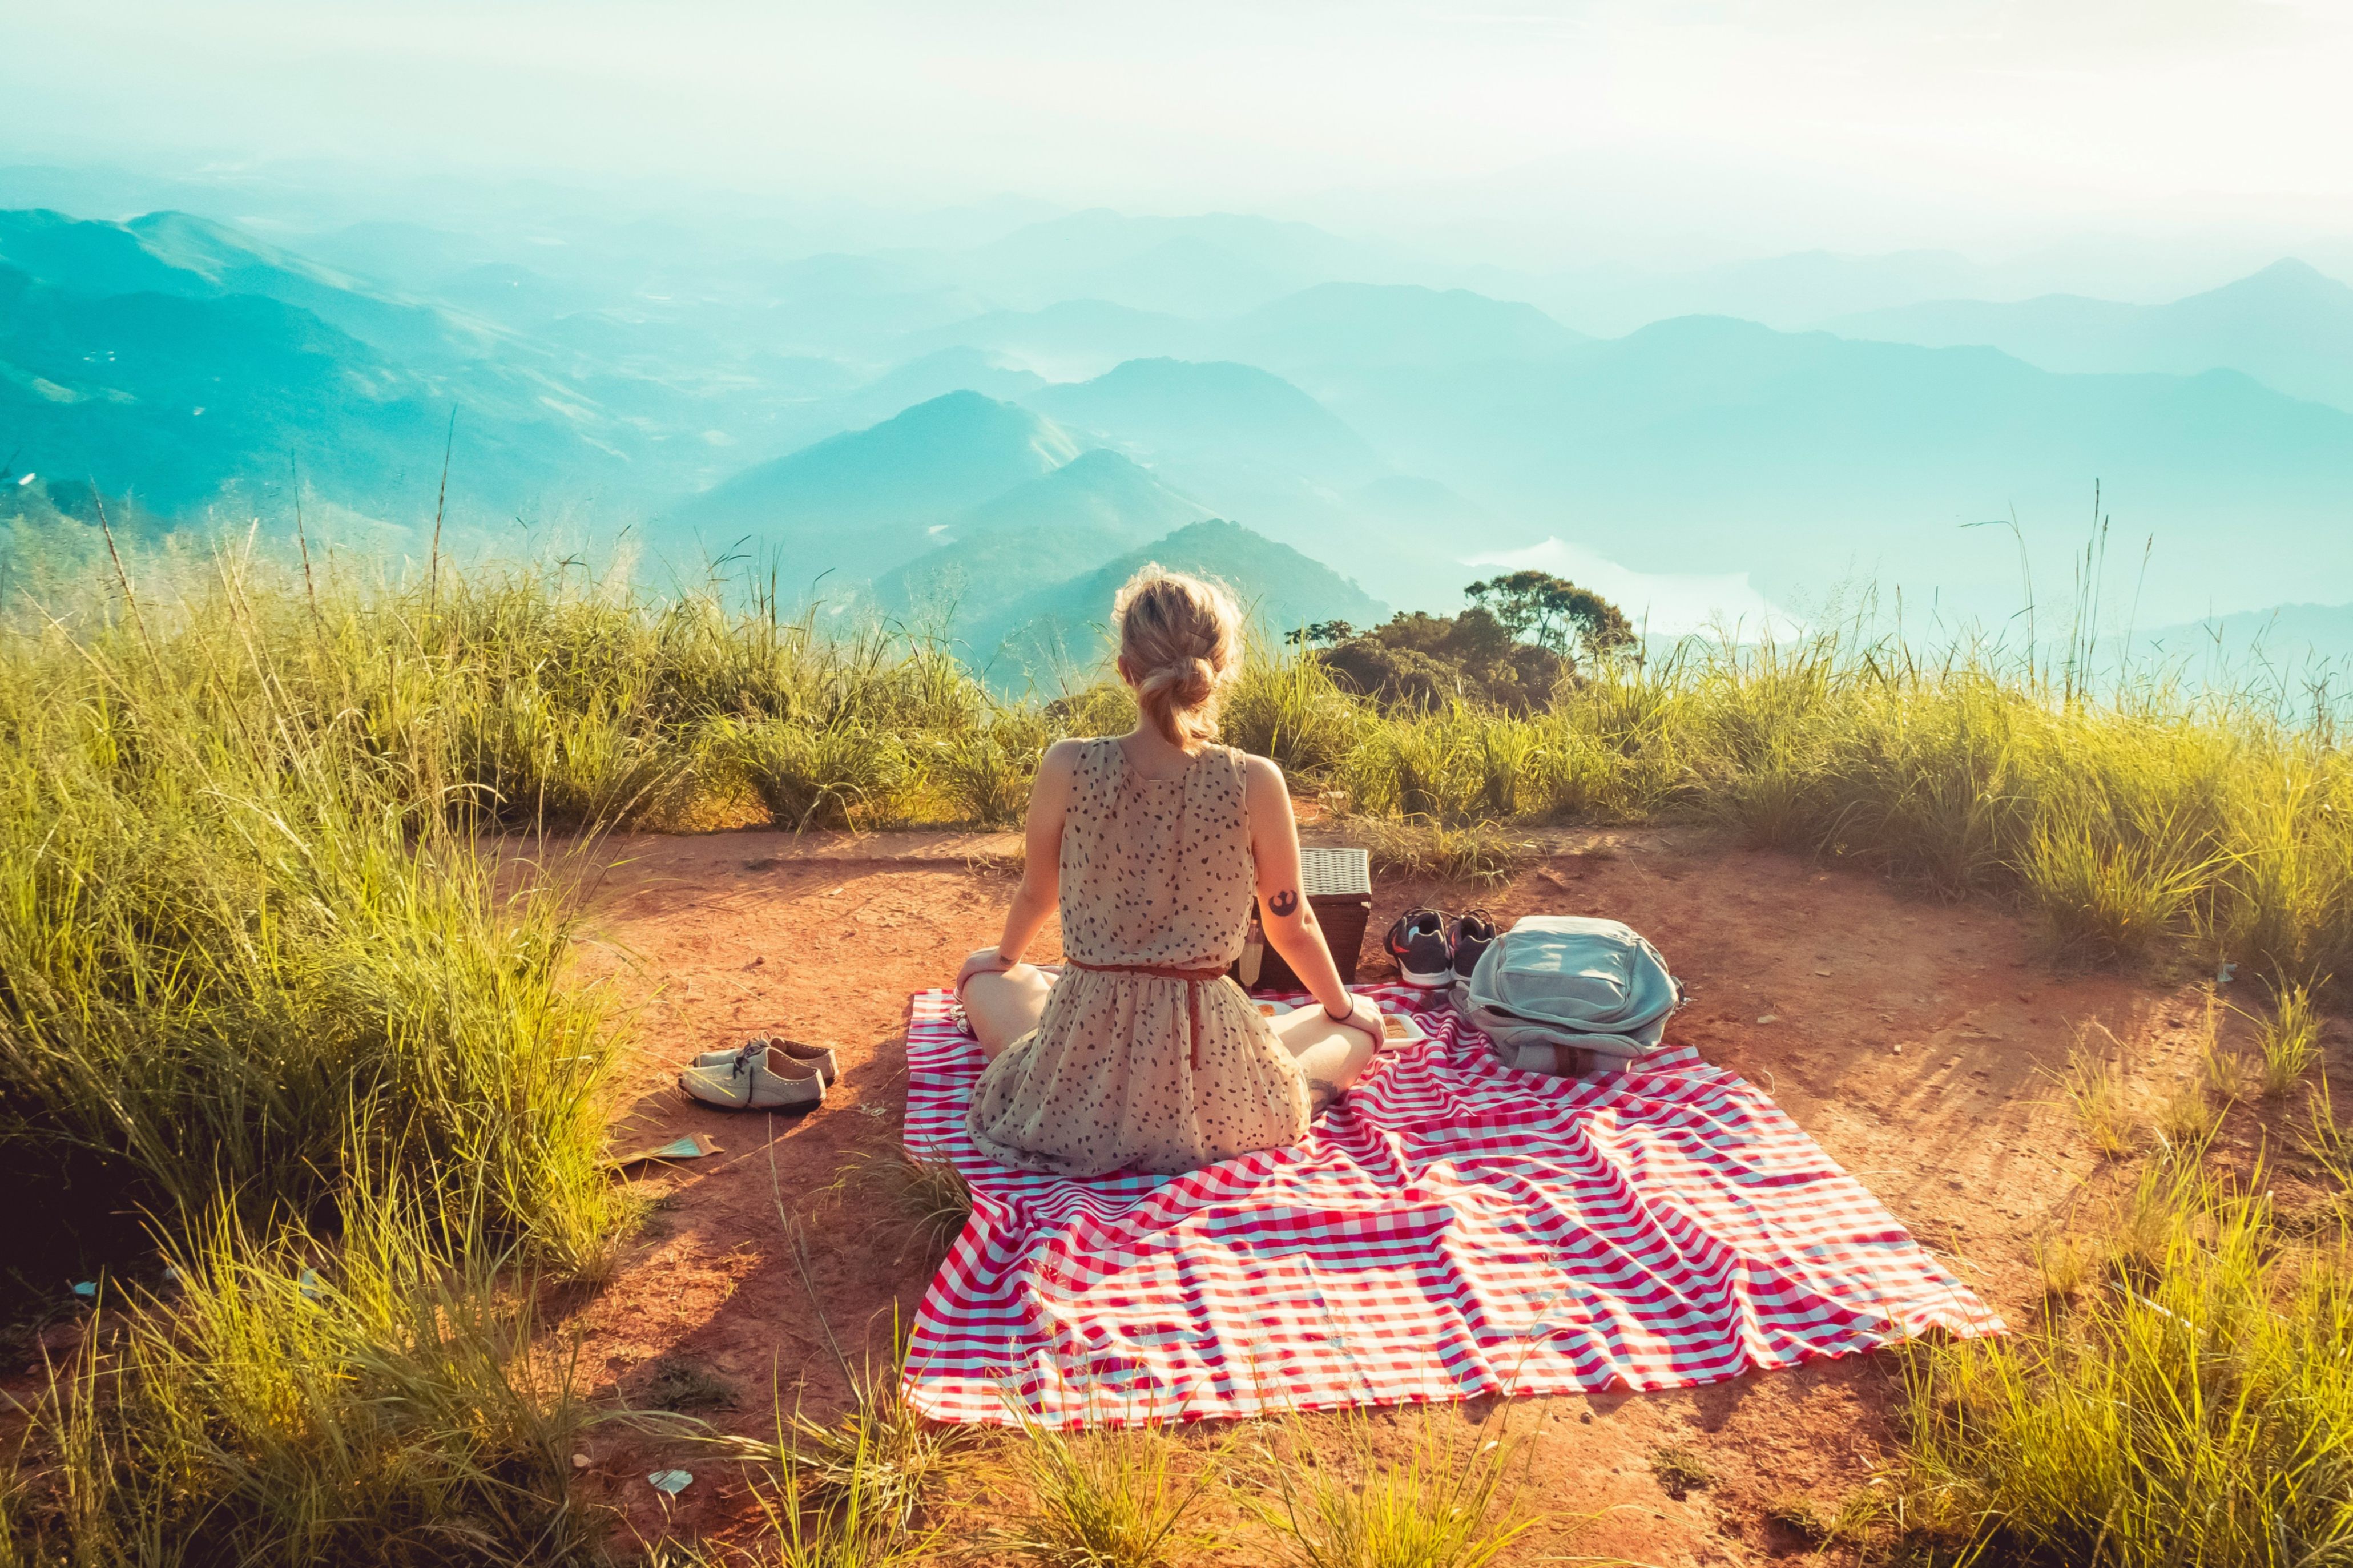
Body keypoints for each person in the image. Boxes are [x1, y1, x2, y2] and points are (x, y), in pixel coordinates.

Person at [956, 566, 1384, 1179]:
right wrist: (1344, 1007)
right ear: (1220, 669)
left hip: (1084, 1059)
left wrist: (1002, 955)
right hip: (1210, 1068)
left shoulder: (1067, 765)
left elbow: (1036, 892)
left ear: (1126, 669)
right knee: (1355, 1027)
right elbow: (1293, 925)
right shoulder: (1254, 779)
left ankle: (1034, 1018)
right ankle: (1313, 1033)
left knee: (987, 979)